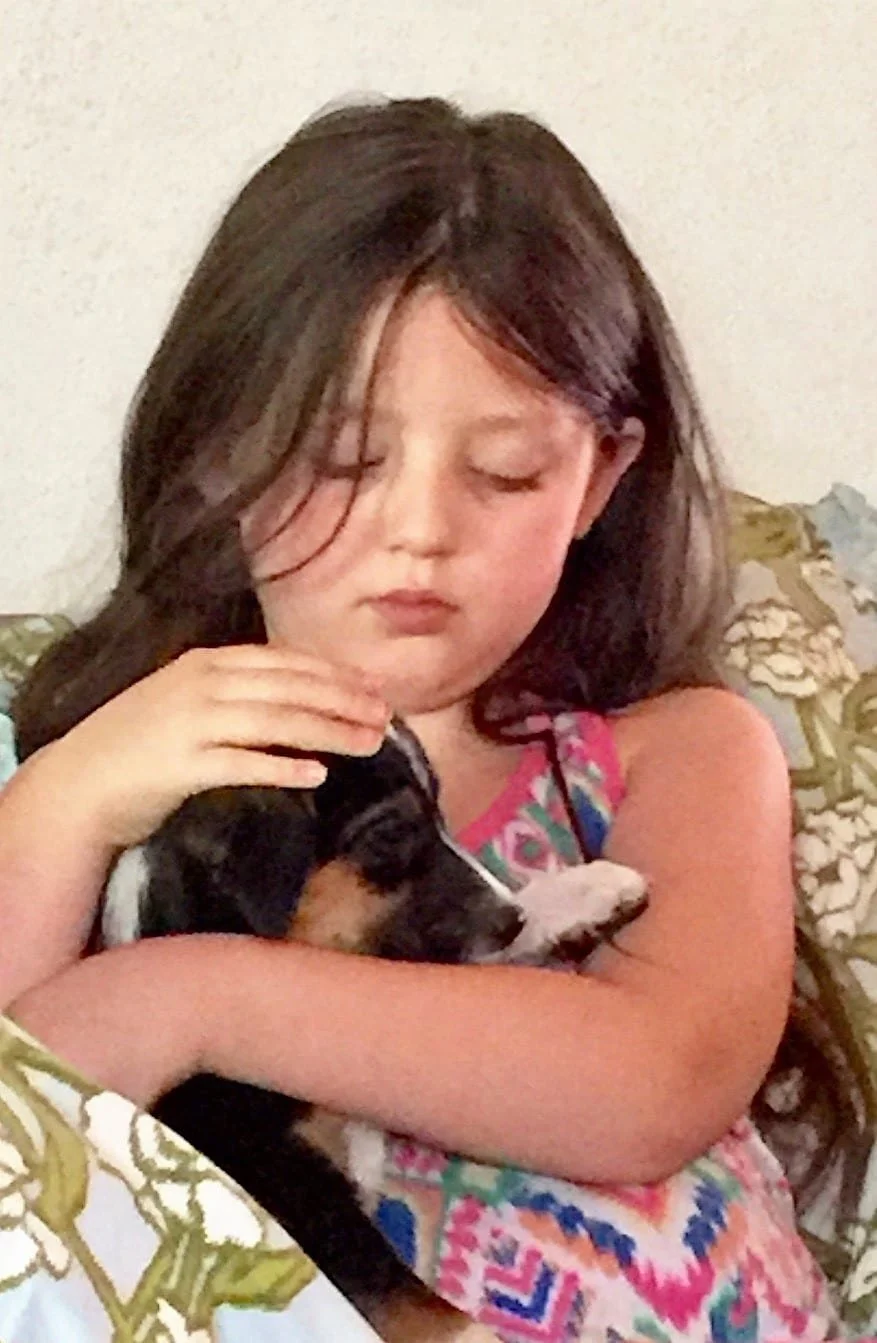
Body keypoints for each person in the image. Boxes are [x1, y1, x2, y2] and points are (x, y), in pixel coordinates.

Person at [0, 97, 861, 1339]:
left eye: (505, 468)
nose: (420, 526)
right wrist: (67, 802)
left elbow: (652, 1076)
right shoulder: (106, 769)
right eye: (345, 459)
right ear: (214, 456)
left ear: (599, 478)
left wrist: (194, 998)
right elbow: (26, 1135)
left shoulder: (672, 751)